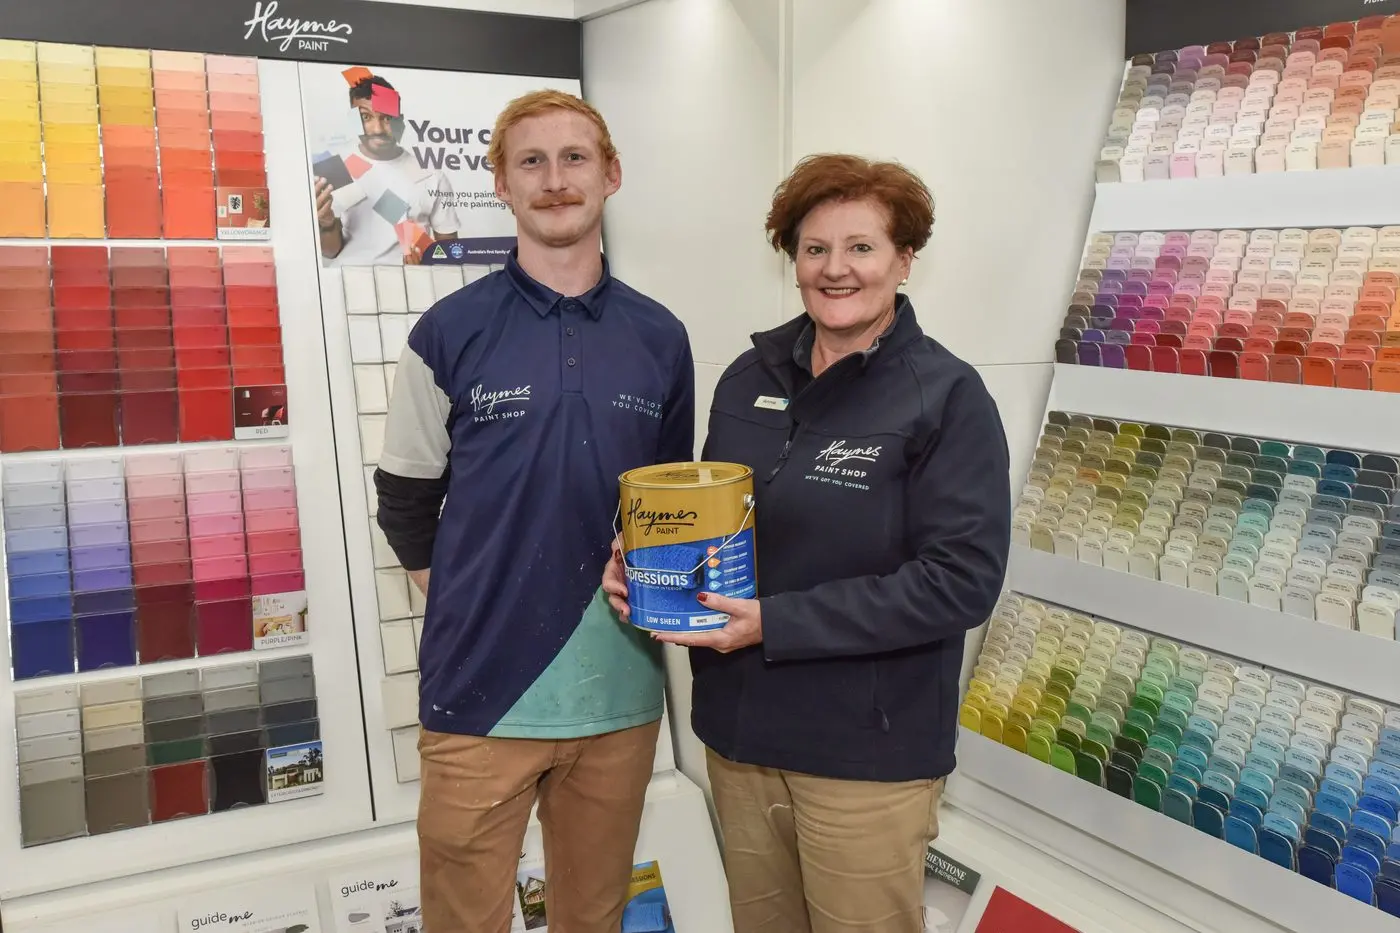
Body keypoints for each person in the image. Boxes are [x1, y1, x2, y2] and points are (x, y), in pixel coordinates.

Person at [603, 153, 1011, 933]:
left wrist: (775, 623)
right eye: (815, 248)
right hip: (741, 741)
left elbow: (960, 581)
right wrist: (650, 564)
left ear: (904, 258)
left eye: (861, 247)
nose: (836, 269)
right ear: (792, 258)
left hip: (865, 759)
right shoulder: (746, 376)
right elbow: (716, 526)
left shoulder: (946, 396)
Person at [374, 89, 695, 933]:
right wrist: (472, 597)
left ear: (611, 175)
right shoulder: (448, 332)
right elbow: (405, 497)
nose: (555, 181)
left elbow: (666, 506)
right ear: (503, 187)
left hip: (620, 697)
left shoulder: (661, 338)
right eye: (532, 162)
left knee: (590, 918)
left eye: (575, 159)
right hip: (480, 697)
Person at [314, 72, 459, 265]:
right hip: (349, 282)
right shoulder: (334, 167)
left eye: (387, 118)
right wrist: (326, 224)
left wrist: (427, 265)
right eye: (366, 117)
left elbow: (450, 255)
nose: (378, 129)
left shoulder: (431, 175)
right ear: (353, 120)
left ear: (400, 121)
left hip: (416, 285)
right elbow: (331, 252)